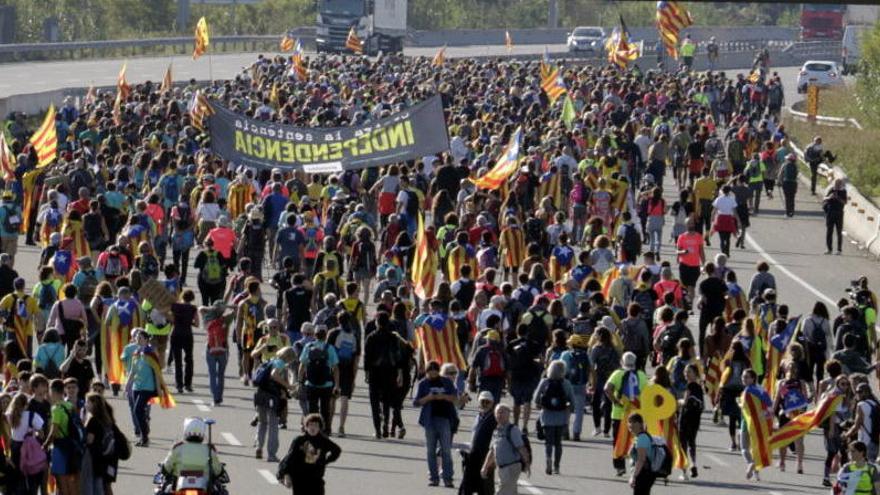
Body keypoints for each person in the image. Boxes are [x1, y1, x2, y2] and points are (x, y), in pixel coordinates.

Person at [413, 360, 458, 488]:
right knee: (430, 450)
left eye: (435, 372)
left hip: (444, 419)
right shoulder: (423, 384)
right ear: (426, 372)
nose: (432, 374)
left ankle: (448, 478)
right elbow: (416, 403)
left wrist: (443, 396)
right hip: (429, 420)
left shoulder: (447, 382)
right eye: (430, 372)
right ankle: (434, 477)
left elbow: (455, 398)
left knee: (446, 450)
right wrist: (429, 398)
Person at [605, 352, 649, 476]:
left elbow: (607, 389)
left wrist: (615, 401)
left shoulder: (618, 374)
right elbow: (647, 392)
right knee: (636, 440)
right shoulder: (641, 375)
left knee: (618, 440)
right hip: (637, 414)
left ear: (622, 362)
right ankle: (635, 463)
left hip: (620, 413)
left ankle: (619, 466)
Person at [277, 413, 342, 495]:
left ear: (319, 427)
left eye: (316, 425)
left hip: (316, 478)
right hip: (300, 479)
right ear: (306, 427)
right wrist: (286, 475)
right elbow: (290, 458)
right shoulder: (299, 440)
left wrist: (326, 461)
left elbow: (337, 450)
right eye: (310, 425)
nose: (312, 427)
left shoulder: (323, 441)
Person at [255, 346, 298, 462]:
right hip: (271, 397)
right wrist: (288, 386)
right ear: (289, 357)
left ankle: (259, 447)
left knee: (262, 422)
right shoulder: (280, 363)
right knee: (273, 425)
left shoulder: (270, 360)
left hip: (260, 394)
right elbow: (274, 375)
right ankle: (271, 454)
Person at [533, 360, 573, 475]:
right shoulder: (566, 383)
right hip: (561, 417)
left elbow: (536, 398)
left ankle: (548, 458)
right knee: (558, 443)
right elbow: (572, 402)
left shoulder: (544, 382)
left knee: (548, 442)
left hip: (547, 416)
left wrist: (541, 405)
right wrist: (569, 409)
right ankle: (557, 466)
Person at [481, 404, 530, 495]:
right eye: (497, 413)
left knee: (501, 492)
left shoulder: (512, 429)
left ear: (508, 415)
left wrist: (527, 463)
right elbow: (492, 451)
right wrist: (485, 467)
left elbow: (521, 448)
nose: (499, 415)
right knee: (510, 492)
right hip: (501, 469)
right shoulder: (496, 431)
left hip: (511, 467)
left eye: (502, 412)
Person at [298, 327, 339, 435]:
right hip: (327, 384)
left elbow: (302, 365)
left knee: (312, 408)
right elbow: (335, 367)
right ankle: (325, 429)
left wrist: (299, 381)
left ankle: (312, 429)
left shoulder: (308, 346)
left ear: (315, 335)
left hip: (311, 383)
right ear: (325, 336)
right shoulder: (329, 348)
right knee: (325, 409)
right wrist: (337, 384)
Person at [161, 417, 222, 489]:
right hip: (204, 487)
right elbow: (217, 470)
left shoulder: (178, 448)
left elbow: (167, 467)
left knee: (163, 489)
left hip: (178, 486)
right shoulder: (209, 449)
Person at [461, 391, 497, 495]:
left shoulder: (494, 418)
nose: (485, 404)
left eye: (487, 402)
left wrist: (493, 458)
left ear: (492, 403)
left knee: (485, 486)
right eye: (482, 401)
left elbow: (496, 440)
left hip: (486, 456)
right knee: (467, 483)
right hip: (473, 454)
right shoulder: (478, 416)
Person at [627, 413, 656, 495]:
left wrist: (634, 476)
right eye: (629, 422)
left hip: (644, 474)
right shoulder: (639, 437)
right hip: (645, 473)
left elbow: (641, 459)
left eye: (632, 422)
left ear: (639, 424)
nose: (630, 425)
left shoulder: (642, 438)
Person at [824, 178, 848, 255]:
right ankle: (829, 249)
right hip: (830, 213)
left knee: (839, 232)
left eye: (838, 184)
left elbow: (845, 202)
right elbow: (824, 198)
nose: (837, 185)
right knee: (829, 231)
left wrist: (838, 198)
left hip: (839, 213)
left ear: (841, 184)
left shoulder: (843, 191)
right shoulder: (831, 189)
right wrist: (829, 197)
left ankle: (839, 249)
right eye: (836, 184)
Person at [777, 153, 799, 217]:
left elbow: (780, 174)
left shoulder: (784, 165)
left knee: (787, 198)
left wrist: (779, 181)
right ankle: (792, 212)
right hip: (793, 183)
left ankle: (787, 212)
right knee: (792, 198)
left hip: (786, 182)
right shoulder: (796, 166)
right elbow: (797, 174)